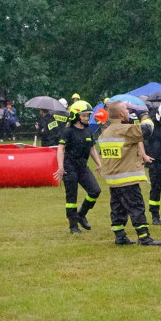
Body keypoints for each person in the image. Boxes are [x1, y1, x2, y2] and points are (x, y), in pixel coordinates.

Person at [98, 101, 161, 246]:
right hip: (127, 179)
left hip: (113, 180)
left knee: (117, 209)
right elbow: (148, 130)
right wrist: (143, 114)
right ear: (121, 114)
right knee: (136, 207)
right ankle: (144, 237)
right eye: (126, 109)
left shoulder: (105, 133)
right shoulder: (125, 130)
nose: (128, 111)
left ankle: (120, 236)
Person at [55, 100, 103, 234]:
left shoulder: (88, 131)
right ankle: (73, 226)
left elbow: (92, 149)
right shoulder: (68, 131)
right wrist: (60, 166)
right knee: (72, 197)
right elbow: (60, 149)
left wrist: (99, 163)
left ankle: (81, 214)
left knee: (95, 191)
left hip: (83, 166)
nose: (86, 118)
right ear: (76, 116)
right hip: (69, 167)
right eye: (84, 116)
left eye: (87, 116)